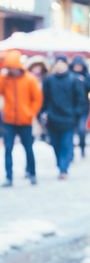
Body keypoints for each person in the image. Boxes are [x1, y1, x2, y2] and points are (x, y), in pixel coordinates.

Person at [0, 50, 43, 186]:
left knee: (28, 148)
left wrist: (31, 113)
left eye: (13, 67)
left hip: (25, 120)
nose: (12, 70)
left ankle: (32, 173)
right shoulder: (5, 79)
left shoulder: (30, 79)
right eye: (9, 67)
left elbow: (37, 99)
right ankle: (9, 177)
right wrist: (2, 76)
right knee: (8, 149)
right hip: (9, 120)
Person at [42, 56, 84, 180]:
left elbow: (80, 99)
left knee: (66, 144)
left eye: (62, 63)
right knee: (55, 144)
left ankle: (63, 168)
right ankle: (61, 165)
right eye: (57, 64)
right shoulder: (49, 80)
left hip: (68, 118)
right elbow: (45, 98)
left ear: (66, 65)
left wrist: (76, 113)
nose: (59, 66)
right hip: (53, 118)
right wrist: (44, 112)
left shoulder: (74, 80)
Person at [70, 56, 90, 158]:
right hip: (71, 107)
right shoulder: (70, 76)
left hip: (83, 107)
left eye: (79, 65)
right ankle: (71, 152)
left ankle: (82, 148)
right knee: (71, 131)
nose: (78, 67)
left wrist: (84, 81)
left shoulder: (87, 76)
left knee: (81, 129)